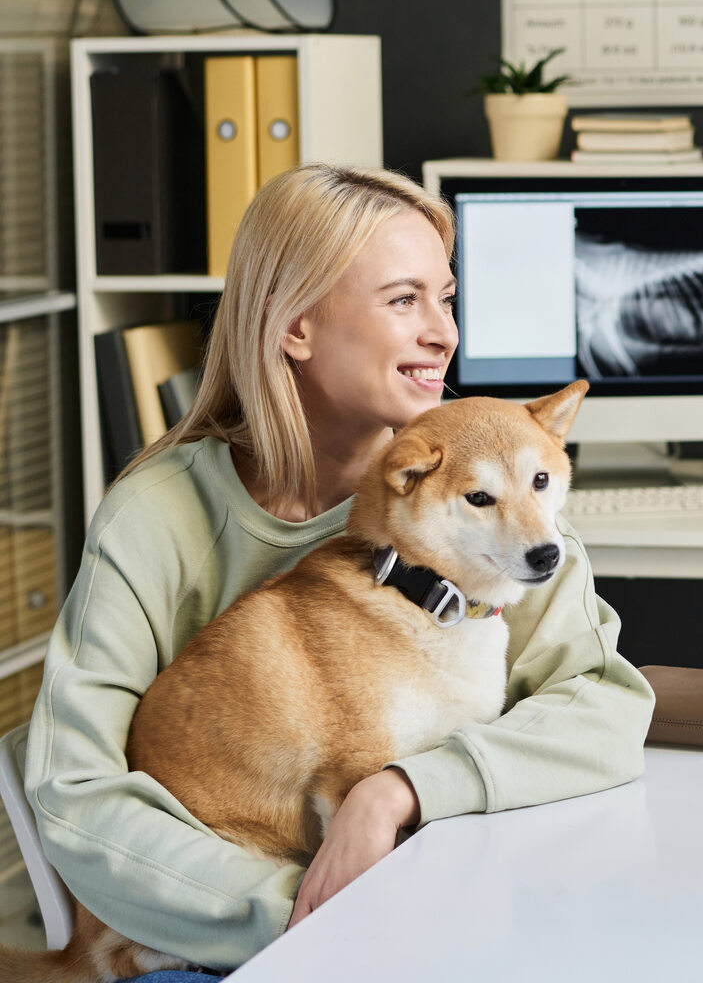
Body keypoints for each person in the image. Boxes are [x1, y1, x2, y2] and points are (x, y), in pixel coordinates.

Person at [26, 165, 654, 976]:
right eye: (403, 301)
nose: (444, 334)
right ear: (295, 327)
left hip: (432, 916)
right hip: (215, 938)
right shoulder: (155, 515)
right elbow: (74, 792)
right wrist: (307, 911)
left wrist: (399, 789)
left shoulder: (491, 490)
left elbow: (604, 708)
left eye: (446, 298)